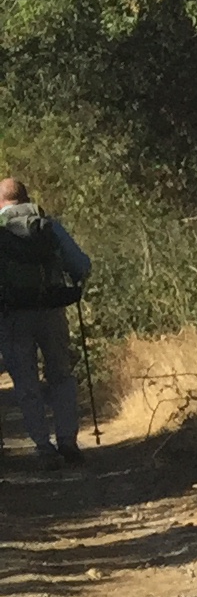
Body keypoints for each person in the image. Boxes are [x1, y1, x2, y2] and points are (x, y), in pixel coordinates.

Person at [0, 175, 91, 465]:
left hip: (13, 315)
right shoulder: (49, 226)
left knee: (25, 381)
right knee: (60, 374)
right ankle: (68, 440)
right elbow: (81, 266)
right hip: (52, 310)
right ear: (27, 198)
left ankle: (43, 446)